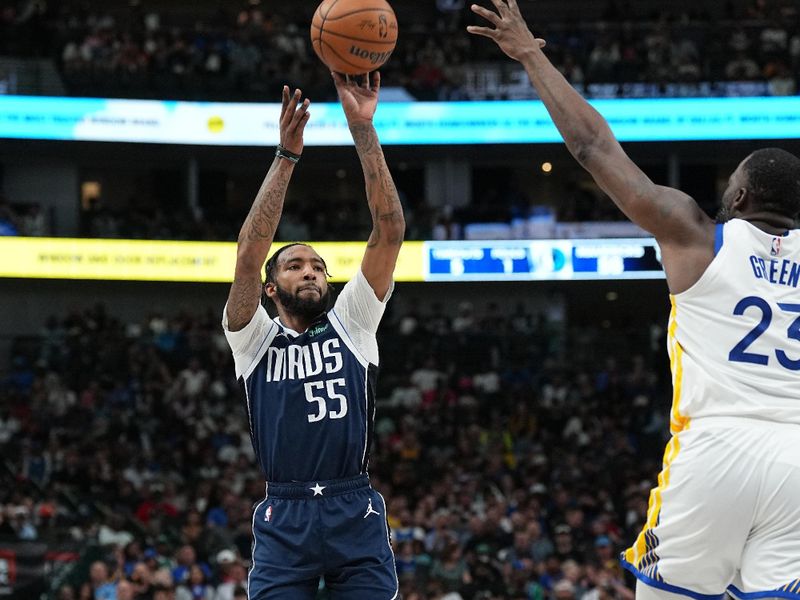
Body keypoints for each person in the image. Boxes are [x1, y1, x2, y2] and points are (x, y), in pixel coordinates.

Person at [468, 2, 800, 599]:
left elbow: (593, 146)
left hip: (719, 444)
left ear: (742, 194)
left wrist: (530, 55)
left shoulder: (698, 234)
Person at [222, 71, 404, 599]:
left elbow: (389, 230)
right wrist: (286, 156)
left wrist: (362, 129)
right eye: (296, 265)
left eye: (319, 266)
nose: (311, 272)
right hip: (286, 513)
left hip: (355, 508)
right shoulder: (252, 339)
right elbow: (248, 254)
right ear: (271, 289)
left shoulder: (353, 321)